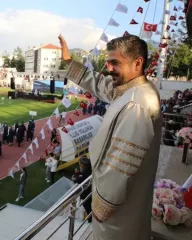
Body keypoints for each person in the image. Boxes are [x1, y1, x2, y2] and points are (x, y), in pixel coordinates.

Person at [59, 34, 162, 240]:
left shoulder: (137, 104)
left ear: (137, 63)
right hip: (123, 212)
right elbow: (99, 84)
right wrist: (69, 61)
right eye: (108, 62)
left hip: (117, 220)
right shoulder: (132, 90)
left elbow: (118, 170)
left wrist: (100, 207)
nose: (108, 68)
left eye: (115, 62)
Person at [72, 156, 92, 223]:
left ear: (83, 164)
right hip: (89, 192)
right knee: (88, 207)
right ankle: (90, 219)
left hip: (86, 193)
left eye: (80, 163)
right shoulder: (89, 170)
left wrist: (77, 174)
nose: (79, 165)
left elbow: (78, 180)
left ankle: (90, 221)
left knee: (88, 207)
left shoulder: (85, 173)